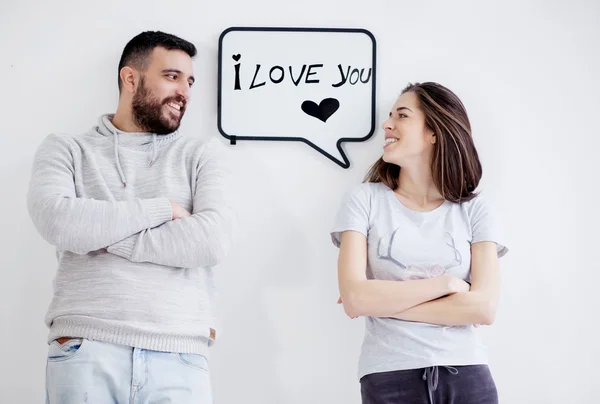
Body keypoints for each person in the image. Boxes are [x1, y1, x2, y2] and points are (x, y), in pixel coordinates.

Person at [27, 31, 234, 403]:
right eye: (171, 76)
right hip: (84, 346)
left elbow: (211, 241)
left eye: (189, 81)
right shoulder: (66, 149)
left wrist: (99, 235)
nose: (184, 92)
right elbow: (57, 221)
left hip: (180, 352)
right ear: (130, 78)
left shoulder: (203, 154)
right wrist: (162, 210)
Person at [331, 82, 508, 404]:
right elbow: (355, 298)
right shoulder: (365, 200)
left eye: (402, 115)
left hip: (466, 372)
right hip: (389, 375)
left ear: (434, 132)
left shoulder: (475, 211)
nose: (386, 125)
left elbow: (483, 308)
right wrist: (449, 285)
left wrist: (385, 302)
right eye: (390, 116)